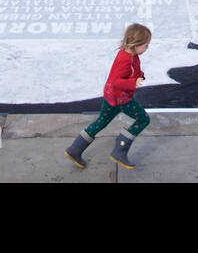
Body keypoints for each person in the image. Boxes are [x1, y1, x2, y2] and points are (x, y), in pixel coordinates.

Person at [65, 23, 152, 170]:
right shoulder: (126, 59)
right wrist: (133, 82)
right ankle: (120, 149)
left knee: (101, 122)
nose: (147, 48)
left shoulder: (130, 55)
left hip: (111, 97)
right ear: (135, 44)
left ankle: (75, 149)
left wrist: (139, 76)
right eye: (145, 45)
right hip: (121, 99)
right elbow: (117, 82)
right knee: (143, 119)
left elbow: (132, 71)